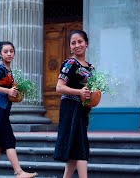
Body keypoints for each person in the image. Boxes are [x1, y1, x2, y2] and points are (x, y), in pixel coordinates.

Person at [0, 41, 38, 178]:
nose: (9, 54)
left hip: (2, 109)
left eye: (11, 51)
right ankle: (19, 172)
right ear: (0, 54)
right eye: (5, 51)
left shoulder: (8, 70)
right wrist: (8, 91)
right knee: (9, 140)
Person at [53, 30, 94, 178]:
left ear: (86, 43)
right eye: (73, 43)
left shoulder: (91, 68)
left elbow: (92, 91)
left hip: (82, 110)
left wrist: (92, 97)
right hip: (70, 109)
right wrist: (79, 92)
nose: (77, 45)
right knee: (81, 148)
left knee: (75, 148)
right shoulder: (70, 63)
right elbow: (59, 87)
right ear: (70, 47)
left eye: (80, 41)